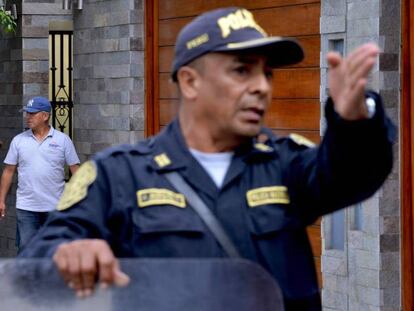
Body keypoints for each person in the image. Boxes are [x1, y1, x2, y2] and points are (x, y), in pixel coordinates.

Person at [20, 7, 395, 311]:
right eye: (241, 70)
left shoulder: (284, 163)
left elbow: (354, 174)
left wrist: (355, 119)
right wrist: (67, 255)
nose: (262, 86)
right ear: (190, 82)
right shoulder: (117, 174)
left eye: (266, 73)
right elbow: (33, 268)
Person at [0, 96, 80, 251]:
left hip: (55, 207)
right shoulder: (18, 141)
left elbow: (76, 170)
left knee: (55, 250)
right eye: (27, 113)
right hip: (26, 207)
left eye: (32, 113)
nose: (27, 117)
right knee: (27, 249)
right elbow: (8, 172)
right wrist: (1, 200)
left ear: (45, 116)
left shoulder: (63, 140)